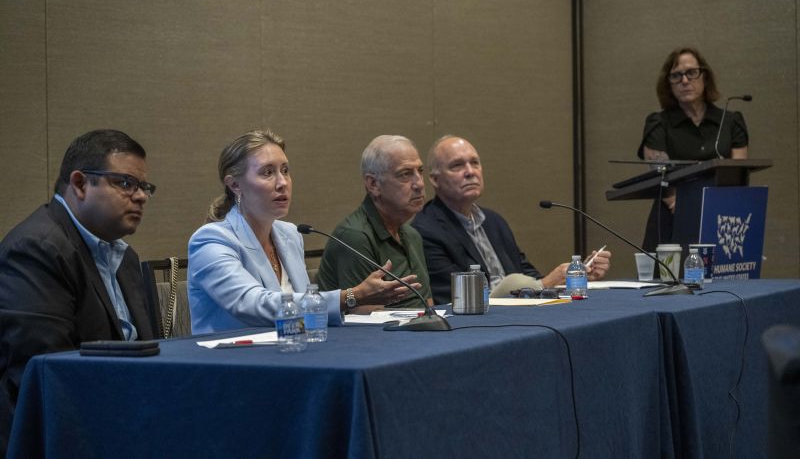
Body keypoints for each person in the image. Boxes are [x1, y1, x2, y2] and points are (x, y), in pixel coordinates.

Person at [0, 129, 160, 455]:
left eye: (144, 187)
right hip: (65, 435)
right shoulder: (37, 249)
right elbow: (47, 374)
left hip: (127, 420)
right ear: (80, 183)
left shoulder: (124, 258)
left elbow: (149, 353)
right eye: (126, 183)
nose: (141, 196)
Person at [188, 130, 419, 334]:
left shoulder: (290, 235)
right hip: (230, 365)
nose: (282, 183)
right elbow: (252, 304)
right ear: (235, 185)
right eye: (267, 173)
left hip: (292, 353)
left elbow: (305, 314)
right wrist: (351, 296)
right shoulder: (212, 241)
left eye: (285, 170)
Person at [412, 135, 611, 305]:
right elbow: (457, 298)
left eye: (474, 163)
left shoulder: (493, 221)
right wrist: (546, 283)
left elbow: (529, 277)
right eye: (457, 165)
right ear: (435, 179)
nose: (470, 171)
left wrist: (575, 277)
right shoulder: (426, 230)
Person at [638, 47, 749, 250]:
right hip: (673, 218)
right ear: (668, 84)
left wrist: (718, 214)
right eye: (676, 76)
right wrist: (683, 210)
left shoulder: (731, 121)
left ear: (704, 77)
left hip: (722, 220)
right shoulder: (658, 123)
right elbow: (659, 175)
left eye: (691, 73)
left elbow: (737, 174)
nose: (685, 81)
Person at [317, 135, 434, 312]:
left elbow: (427, 305)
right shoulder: (354, 236)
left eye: (420, 171)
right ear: (373, 184)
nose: (419, 183)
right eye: (405, 174)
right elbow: (365, 317)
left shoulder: (412, 235)